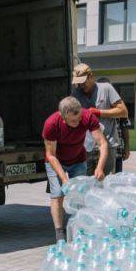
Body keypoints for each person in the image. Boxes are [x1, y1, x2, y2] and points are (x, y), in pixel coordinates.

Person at [42, 97, 108, 243]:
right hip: (56, 161)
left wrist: (99, 167)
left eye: (79, 118)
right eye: (73, 121)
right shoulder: (51, 124)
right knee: (58, 194)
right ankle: (59, 233)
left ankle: (78, 227)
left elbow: (102, 143)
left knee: (80, 194)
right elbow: (50, 155)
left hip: (78, 160)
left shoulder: (87, 117)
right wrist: (64, 179)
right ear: (62, 117)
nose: (77, 122)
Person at [72, 64, 127, 176]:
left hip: (108, 144)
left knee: (105, 181)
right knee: (84, 181)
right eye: (78, 83)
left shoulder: (106, 88)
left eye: (83, 82)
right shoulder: (76, 95)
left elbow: (123, 112)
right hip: (85, 147)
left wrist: (99, 112)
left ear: (91, 76)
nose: (81, 85)